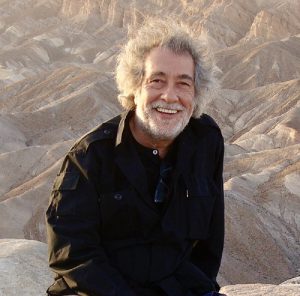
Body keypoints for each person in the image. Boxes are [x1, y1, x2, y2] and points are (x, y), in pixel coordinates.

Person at [46, 17, 225, 296]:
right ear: (134, 86)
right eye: (157, 80)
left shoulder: (206, 141)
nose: (169, 96)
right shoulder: (90, 158)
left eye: (183, 84)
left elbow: (210, 243)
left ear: (197, 92)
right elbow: (73, 256)